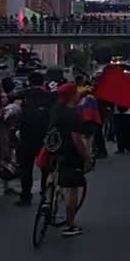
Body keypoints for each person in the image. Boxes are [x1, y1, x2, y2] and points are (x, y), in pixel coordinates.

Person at [47, 83, 91, 237]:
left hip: (52, 152)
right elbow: (76, 140)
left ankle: (48, 205)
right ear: (72, 95)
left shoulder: (55, 110)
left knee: (53, 178)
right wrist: (86, 157)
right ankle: (70, 224)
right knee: (72, 190)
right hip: (70, 154)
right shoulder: (73, 115)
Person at [15, 71, 55, 206]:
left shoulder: (22, 95)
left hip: (26, 136)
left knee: (26, 168)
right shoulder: (50, 96)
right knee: (45, 167)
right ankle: (45, 194)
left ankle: (25, 196)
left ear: (29, 81)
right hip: (44, 137)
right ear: (43, 82)